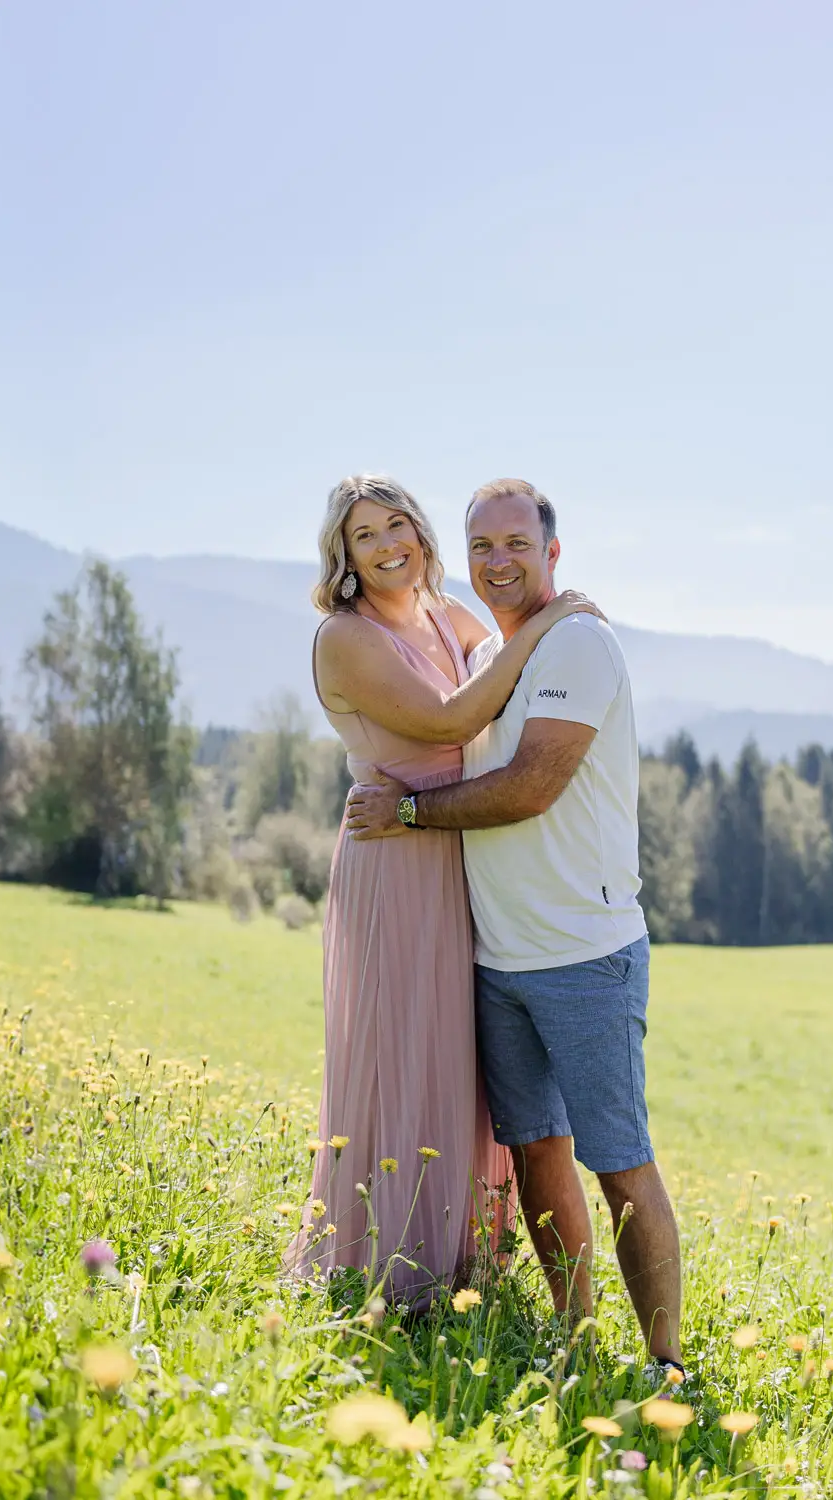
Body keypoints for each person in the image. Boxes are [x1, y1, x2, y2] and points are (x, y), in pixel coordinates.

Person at [346, 478, 684, 1371]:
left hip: (584, 956)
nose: (498, 563)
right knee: (536, 1157)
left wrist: (409, 814)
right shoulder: (490, 655)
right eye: (482, 547)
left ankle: (667, 1363)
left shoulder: (578, 643)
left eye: (517, 545)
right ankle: (578, 1343)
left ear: (552, 554)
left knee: (620, 1161)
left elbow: (531, 786)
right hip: (498, 960)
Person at [283, 474, 601, 1307]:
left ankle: (464, 1257)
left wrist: (550, 633)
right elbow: (454, 719)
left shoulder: (440, 613)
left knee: (459, 1056)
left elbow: (499, 665)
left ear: (420, 533)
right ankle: (389, 1260)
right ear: (344, 556)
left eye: (397, 526)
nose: (387, 545)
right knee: (404, 1048)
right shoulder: (344, 637)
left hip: (455, 848)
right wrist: (551, 623)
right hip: (395, 854)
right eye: (364, 536)